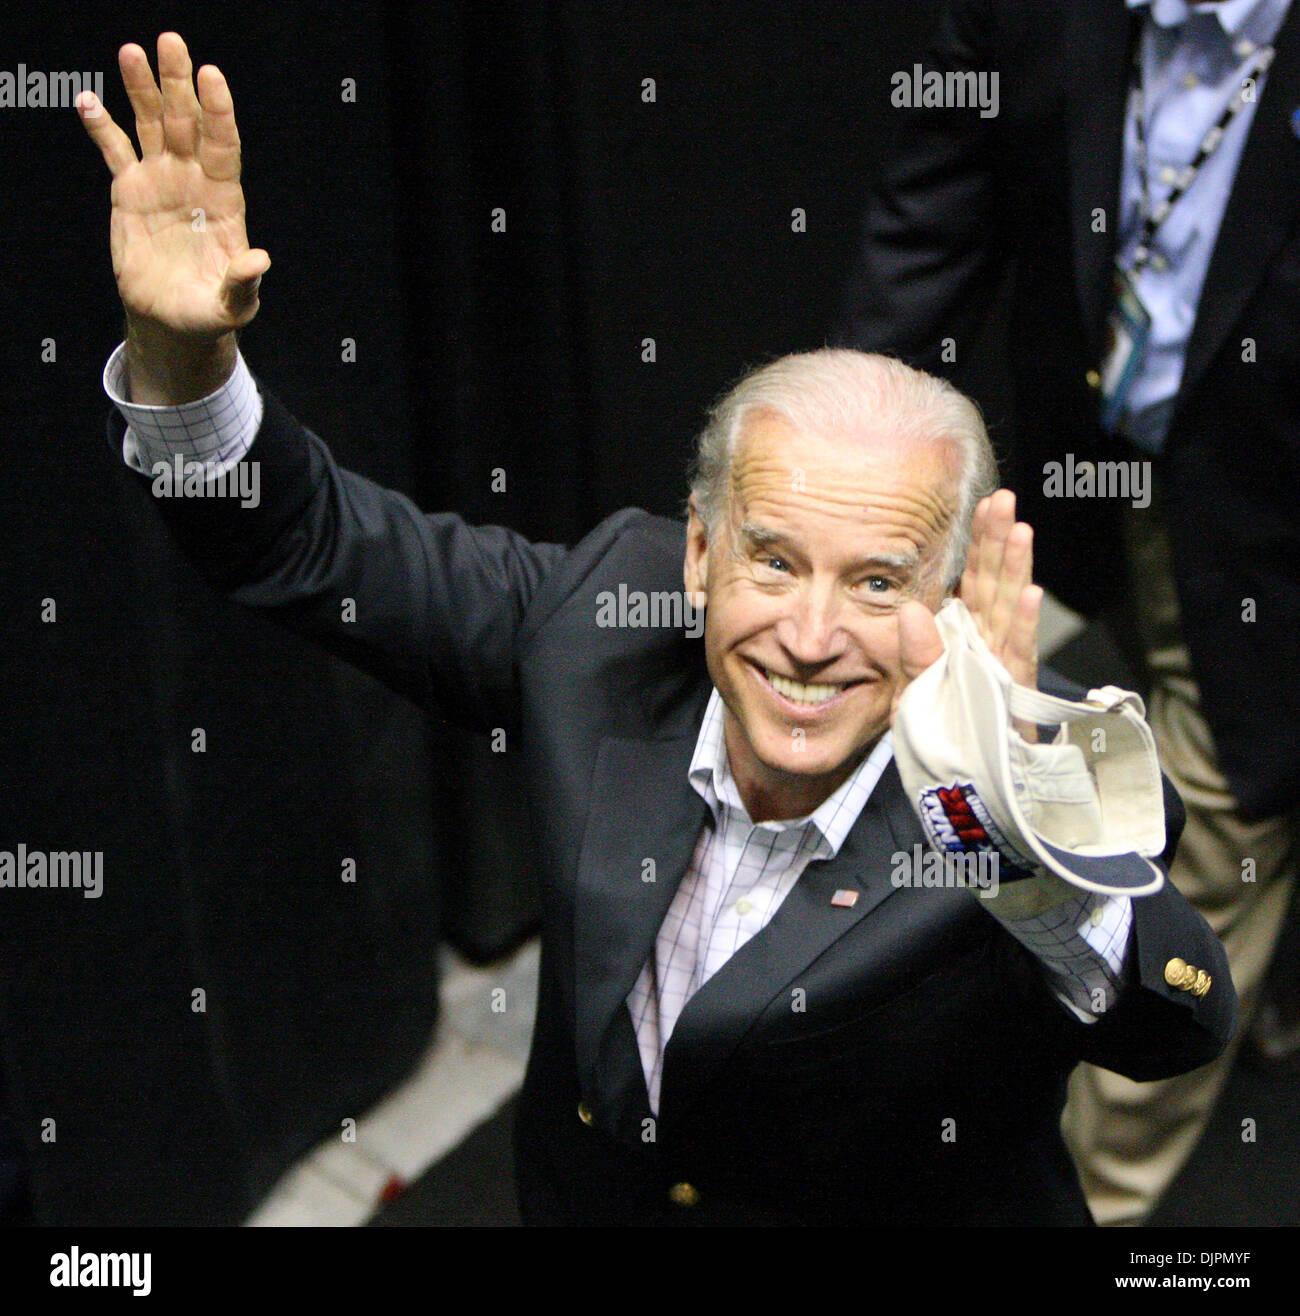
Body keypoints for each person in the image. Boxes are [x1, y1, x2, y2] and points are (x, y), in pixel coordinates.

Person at [75, 33, 1234, 1225]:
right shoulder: (600, 621)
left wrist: (1008, 830)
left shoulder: (1025, 789)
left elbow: (1179, 1019)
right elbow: (307, 542)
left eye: (879, 584)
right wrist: (188, 354)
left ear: (946, 603)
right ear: (695, 553)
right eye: (772, 560)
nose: (811, 632)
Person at [839, 0, 1300, 1223]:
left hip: (1278, 525)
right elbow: (928, 226)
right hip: (1100, 464)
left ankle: (1097, 1194)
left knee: (1219, 816)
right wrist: (842, 481)